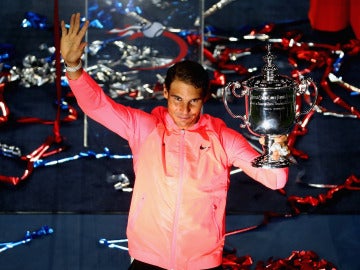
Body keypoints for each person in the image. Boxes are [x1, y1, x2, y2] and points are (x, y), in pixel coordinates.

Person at [61, 13, 289, 270]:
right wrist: (73, 67)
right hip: (148, 257)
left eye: (193, 101)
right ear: (166, 93)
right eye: (177, 99)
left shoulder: (222, 139)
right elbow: (97, 106)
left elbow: (275, 179)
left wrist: (278, 145)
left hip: (201, 262)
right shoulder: (144, 128)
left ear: (204, 100)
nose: (184, 110)